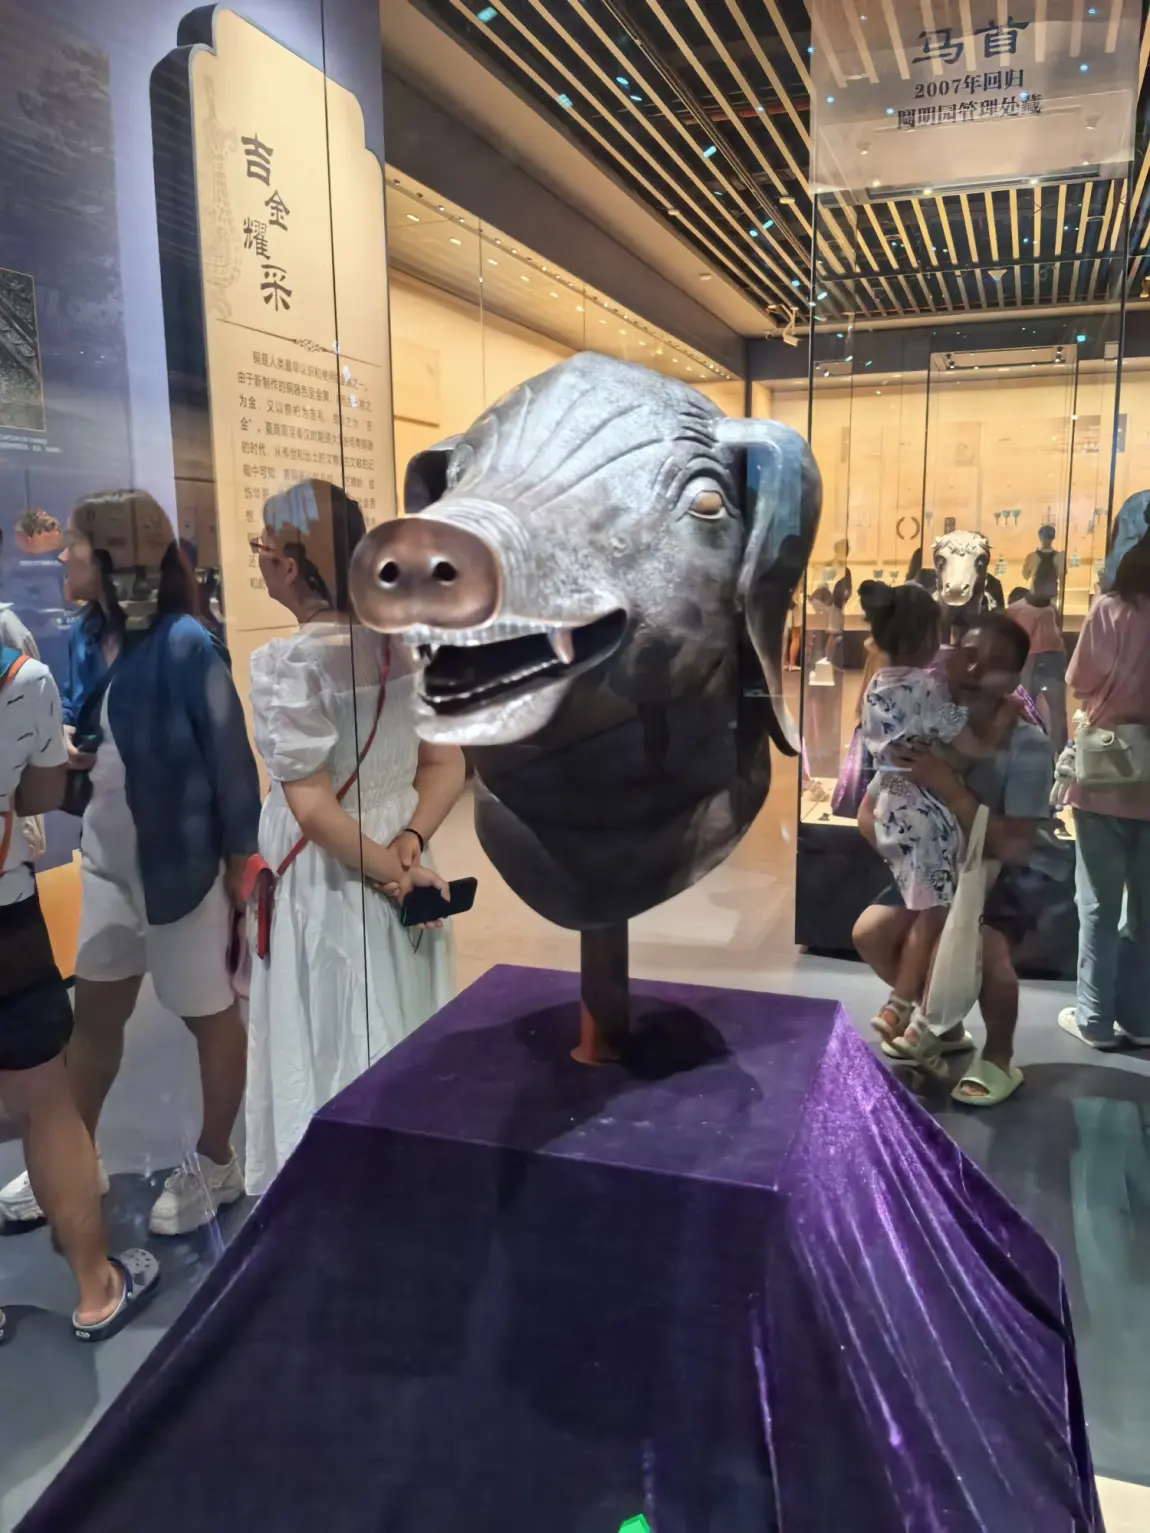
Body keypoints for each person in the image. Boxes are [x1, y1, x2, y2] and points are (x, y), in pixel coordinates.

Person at [0, 493, 261, 1236]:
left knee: (209, 1016)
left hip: (185, 872)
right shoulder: (90, 634)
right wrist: (70, 746)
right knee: (95, 1020)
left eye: (75, 544)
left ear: (113, 557)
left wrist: (241, 863)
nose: (62, 555)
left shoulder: (187, 644)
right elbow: (83, 719)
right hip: (107, 862)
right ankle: (72, 1156)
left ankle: (217, 1159)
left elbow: (232, 763)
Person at [244, 481, 464, 1194]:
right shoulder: (402, 649)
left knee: (338, 1026)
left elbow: (312, 810)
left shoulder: (292, 665)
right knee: (401, 1015)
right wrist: (409, 843)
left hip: (335, 877)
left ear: (290, 565)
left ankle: (343, 1188)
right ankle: (406, 1176)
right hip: (402, 861)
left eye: (262, 546)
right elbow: (446, 764)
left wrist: (390, 868)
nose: (259, 560)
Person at [0, 639, 159, 1341]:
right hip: (5, 919)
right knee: (47, 1104)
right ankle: (96, 1290)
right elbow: (41, 795)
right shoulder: (21, 678)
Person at [854, 612, 1056, 1106]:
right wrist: (908, 857)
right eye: (967, 654)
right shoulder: (930, 717)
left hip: (1008, 872)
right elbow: (868, 813)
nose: (974, 669)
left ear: (1014, 676)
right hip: (945, 861)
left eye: (994, 662)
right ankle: (939, 1020)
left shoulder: (1027, 744)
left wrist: (948, 788)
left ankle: (1000, 1056)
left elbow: (1016, 847)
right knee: (871, 932)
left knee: (986, 946)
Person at [858, 580, 1012, 1048]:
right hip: (925, 812)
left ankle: (908, 1008)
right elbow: (970, 745)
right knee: (934, 913)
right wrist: (1000, 724)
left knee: (923, 907)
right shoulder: (927, 688)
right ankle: (901, 1004)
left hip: (890, 800)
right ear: (929, 637)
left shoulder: (875, 685)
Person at [1057, 544, 1150, 1050]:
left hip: (1104, 774)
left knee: (1097, 903)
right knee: (1147, 909)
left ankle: (1094, 1018)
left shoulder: (1109, 610)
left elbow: (1079, 682)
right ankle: (1141, 1018)